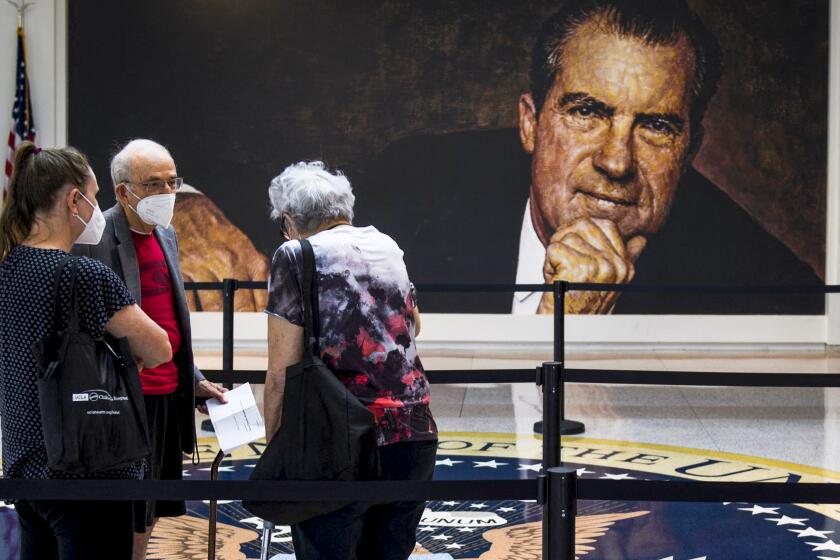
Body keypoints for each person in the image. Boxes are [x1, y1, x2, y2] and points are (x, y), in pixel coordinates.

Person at [364, 0, 823, 315]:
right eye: (587, 112)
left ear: (689, 153)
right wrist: (562, 325)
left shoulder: (764, 287)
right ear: (531, 123)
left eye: (656, 126)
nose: (616, 162)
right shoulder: (410, 190)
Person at [0, 141, 172, 559]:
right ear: (74, 200)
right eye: (94, 197)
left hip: (24, 463)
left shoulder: (8, 269)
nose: (96, 210)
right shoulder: (83, 273)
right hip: (87, 465)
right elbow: (159, 347)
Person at [263, 161, 437, 560]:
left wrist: (277, 448)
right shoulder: (387, 244)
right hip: (413, 433)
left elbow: (281, 370)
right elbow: (413, 326)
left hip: (337, 443)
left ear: (289, 220)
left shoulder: (294, 254)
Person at [72, 139, 227, 560]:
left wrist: (193, 380)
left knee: (153, 506)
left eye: (171, 182)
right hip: (122, 402)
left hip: (167, 398)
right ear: (123, 191)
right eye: (153, 183)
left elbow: (172, 318)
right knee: (124, 510)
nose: (166, 193)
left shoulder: (168, 234)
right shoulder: (95, 240)